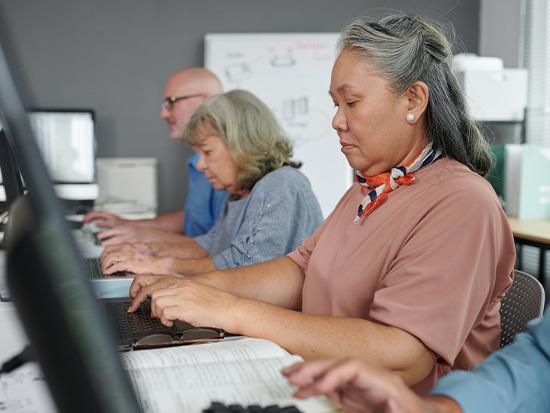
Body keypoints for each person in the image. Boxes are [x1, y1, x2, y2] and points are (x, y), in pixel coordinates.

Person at [126, 14, 515, 393]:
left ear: (413, 99)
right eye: (335, 104)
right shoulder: (368, 190)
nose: (337, 121)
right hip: (324, 388)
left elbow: (404, 355)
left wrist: (229, 310)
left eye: (351, 103)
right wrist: (193, 286)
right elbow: (299, 270)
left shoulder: (462, 202)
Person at [100, 89, 323, 275]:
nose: (200, 165)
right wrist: (147, 251)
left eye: (207, 152)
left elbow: (244, 268)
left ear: (241, 144)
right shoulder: (239, 191)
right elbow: (210, 246)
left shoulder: (281, 185)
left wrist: (158, 265)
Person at [283, 310, 550, 413]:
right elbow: (540, 361)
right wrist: (437, 410)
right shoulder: (363, 195)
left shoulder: (463, 202)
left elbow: (404, 352)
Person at [83, 67, 228, 245]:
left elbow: (220, 246)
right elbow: (196, 218)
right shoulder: (196, 159)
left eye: (171, 102)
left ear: (207, 101)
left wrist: (147, 237)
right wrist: (130, 225)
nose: (163, 114)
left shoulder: (227, 164)